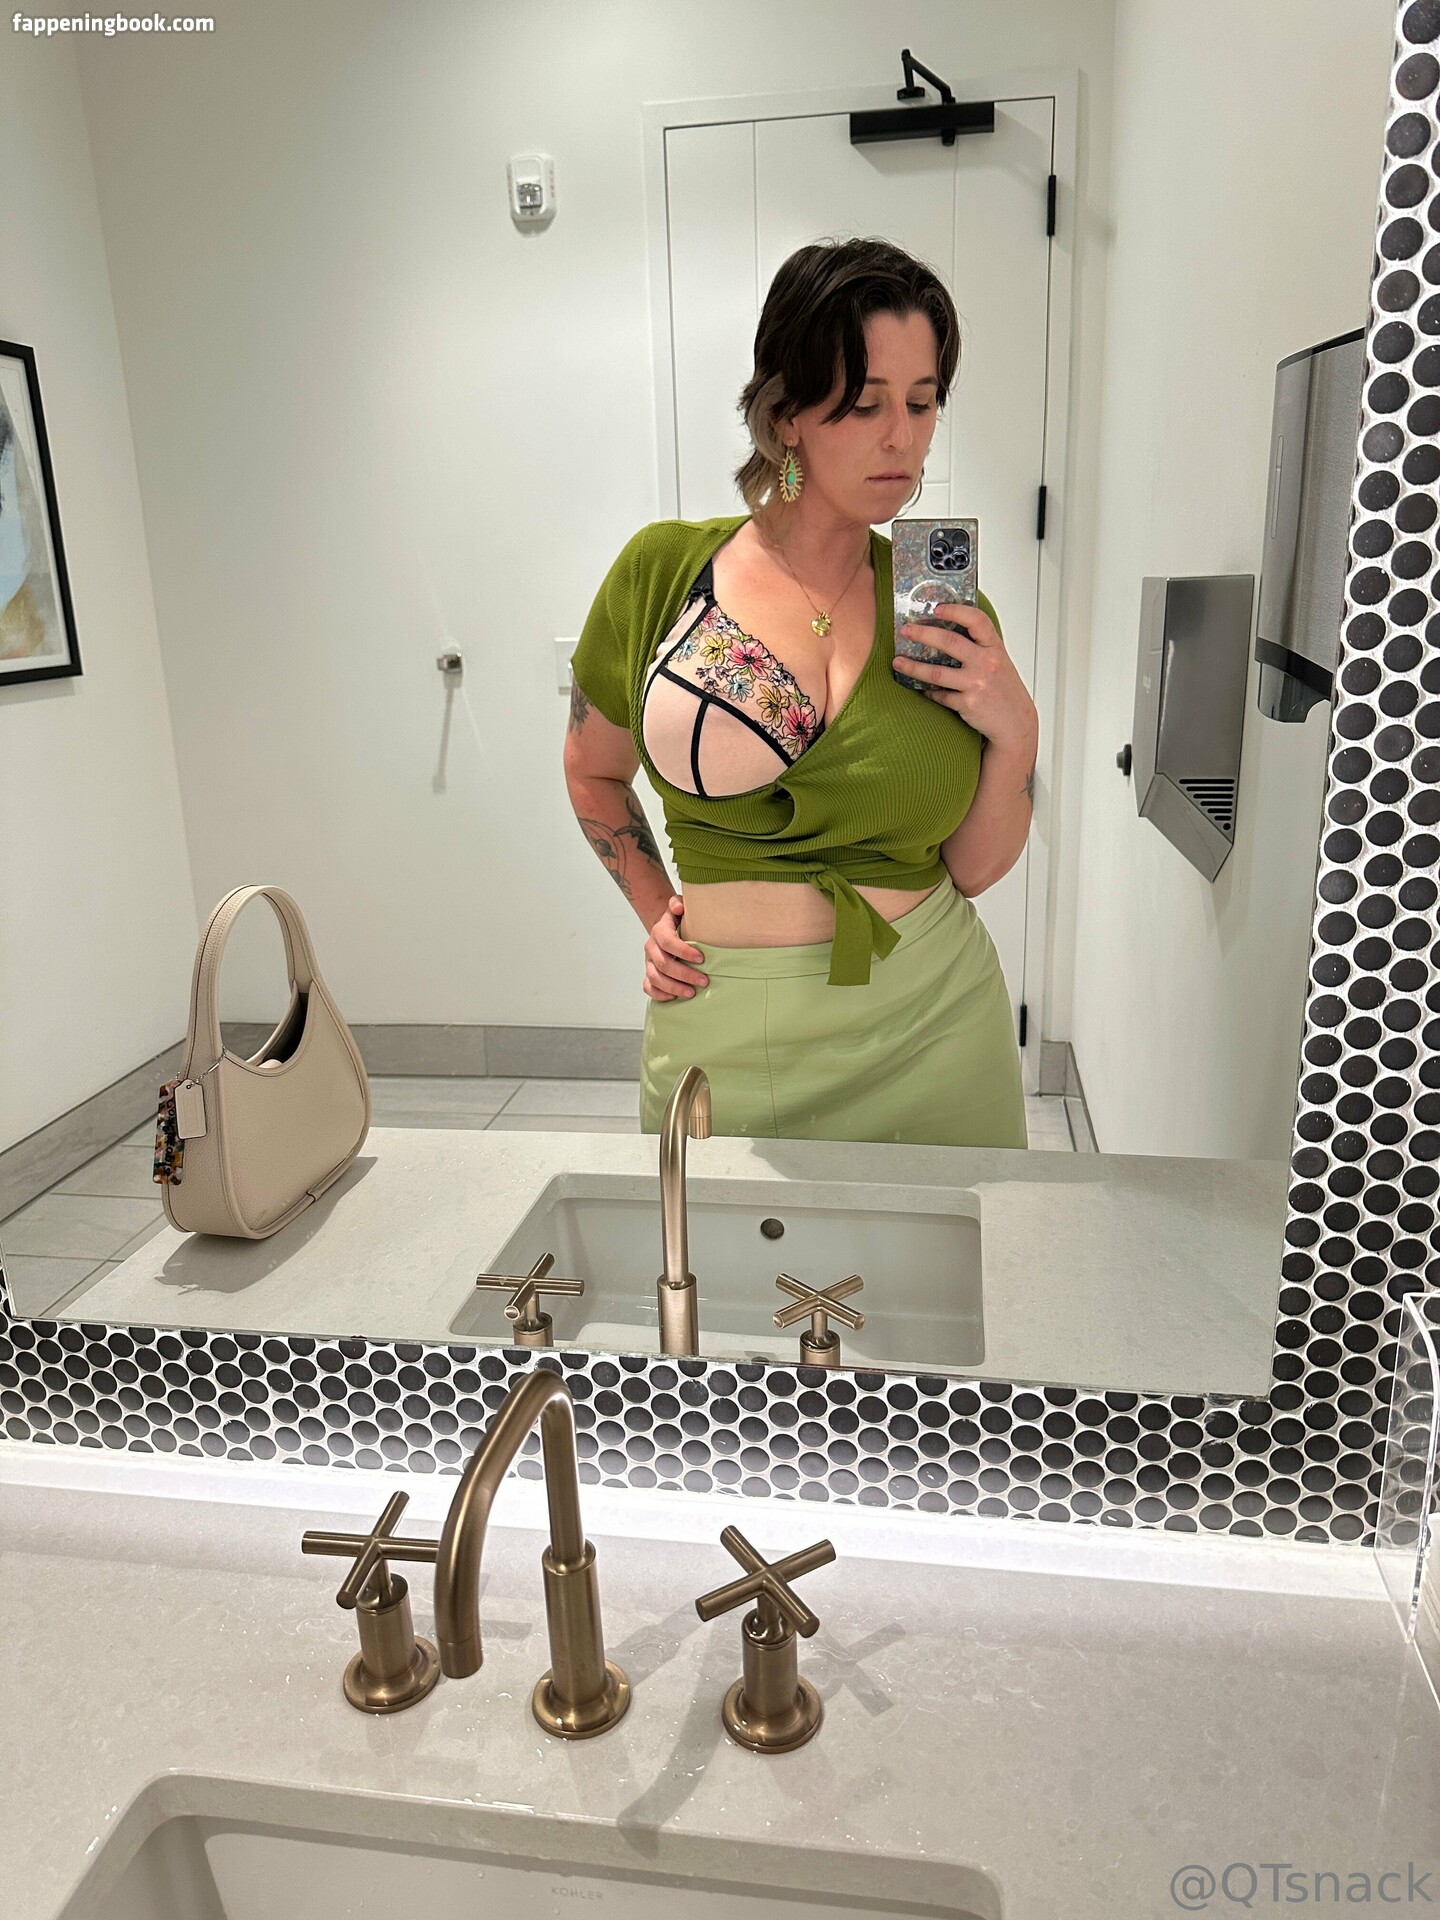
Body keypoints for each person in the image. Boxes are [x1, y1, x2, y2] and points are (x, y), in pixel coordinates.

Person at [562, 236, 1037, 1147]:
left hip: (934, 1020)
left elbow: (974, 869)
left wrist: (1018, 733)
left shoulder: (948, 614)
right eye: (864, 404)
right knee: (711, 1242)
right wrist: (654, 908)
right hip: (723, 1025)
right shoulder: (664, 573)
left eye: (923, 402)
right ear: (786, 415)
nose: (903, 437)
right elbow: (592, 769)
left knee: (953, 1243)